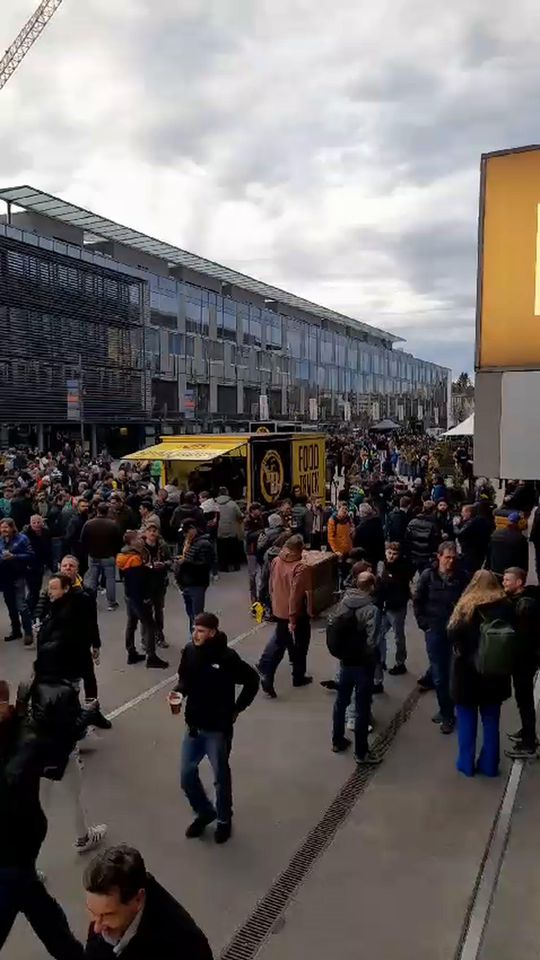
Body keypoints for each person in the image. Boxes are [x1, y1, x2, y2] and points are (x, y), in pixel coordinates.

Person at [0, 680, 85, 958]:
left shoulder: (21, 736)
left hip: (15, 849)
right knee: (41, 909)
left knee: (36, 904)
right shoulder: (21, 735)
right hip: (15, 853)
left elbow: (52, 764)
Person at [32, 575, 108, 852]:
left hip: (35, 751)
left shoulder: (33, 685)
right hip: (59, 752)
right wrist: (89, 713)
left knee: (42, 800)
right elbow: (71, 727)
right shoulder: (63, 693)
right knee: (71, 795)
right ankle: (81, 837)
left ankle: (78, 837)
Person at [174, 613, 259, 844]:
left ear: (212, 632)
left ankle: (223, 819)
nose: (195, 634)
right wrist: (179, 693)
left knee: (220, 776)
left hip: (217, 729)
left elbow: (252, 680)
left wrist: (237, 708)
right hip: (193, 726)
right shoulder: (189, 651)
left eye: (201, 630)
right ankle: (204, 811)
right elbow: (185, 679)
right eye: (194, 629)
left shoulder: (227, 657)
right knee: (186, 775)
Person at [84, 844, 213, 959]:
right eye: (92, 912)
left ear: (138, 899)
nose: (96, 928)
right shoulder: (104, 915)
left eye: (108, 915)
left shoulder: (186, 945)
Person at [448, 571, 514, 777]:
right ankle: (490, 765)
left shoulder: (466, 605)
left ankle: (466, 764)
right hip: (495, 673)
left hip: (467, 673)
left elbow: (451, 634)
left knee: (467, 722)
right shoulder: (505, 606)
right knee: (491, 722)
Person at [328, 571, 382, 765]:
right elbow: (373, 639)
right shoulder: (371, 609)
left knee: (341, 702)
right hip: (363, 665)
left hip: (344, 661)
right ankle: (361, 752)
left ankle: (337, 739)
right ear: (371, 587)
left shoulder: (343, 602)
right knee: (362, 707)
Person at [413, 542, 468, 733]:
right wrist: (424, 624)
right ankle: (446, 713)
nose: (451, 561)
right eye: (447, 557)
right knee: (439, 676)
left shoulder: (462, 577)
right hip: (435, 632)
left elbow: (468, 603)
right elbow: (418, 601)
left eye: (454, 557)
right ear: (439, 557)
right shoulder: (428, 577)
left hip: (455, 632)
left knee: (455, 673)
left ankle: (453, 709)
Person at [257, 535, 312, 696]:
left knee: (281, 642)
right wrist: (293, 618)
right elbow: (295, 595)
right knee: (300, 643)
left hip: (279, 609)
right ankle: (296, 676)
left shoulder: (276, 561)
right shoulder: (300, 568)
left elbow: (270, 584)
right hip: (295, 613)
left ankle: (268, 673)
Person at [503, 567, 540, 759]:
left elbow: (524, 637)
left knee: (524, 701)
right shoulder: (523, 600)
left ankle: (529, 743)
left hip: (524, 661)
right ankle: (527, 733)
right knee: (522, 700)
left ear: (519, 583)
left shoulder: (523, 606)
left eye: (508, 580)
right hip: (525, 659)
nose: (504, 583)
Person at [116, 532, 168, 668]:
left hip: (129, 595)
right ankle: (152, 657)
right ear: (132, 542)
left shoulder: (124, 556)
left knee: (131, 623)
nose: (142, 539)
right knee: (149, 625)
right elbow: (137, 580)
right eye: (139, 538)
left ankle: (131, 652)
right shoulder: (134, 558)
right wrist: (145, 597)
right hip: (138, 597)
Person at [174, 520, 214, 634]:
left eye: (186, 532)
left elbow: (205, 566)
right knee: (191, 615)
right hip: (186, 583)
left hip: (197, 584)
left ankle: (197, 643)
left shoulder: (204, 544)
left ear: (193, 529)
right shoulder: (189, 542)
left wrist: (185, 563)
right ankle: (193, 640)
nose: (184, 535)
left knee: (197, 617)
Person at [82, 503, 123, 610]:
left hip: (93, 555)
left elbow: (83, 540)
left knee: (93, 579)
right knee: (110, 579)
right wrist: (115, 552)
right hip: (108, 556)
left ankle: (91, 601)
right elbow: (119, 541)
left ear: (97, 510)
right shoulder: (113, 525)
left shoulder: (89, 524)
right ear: (107, 511)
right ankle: (111, 603)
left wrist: (89, 550)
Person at [379, 542, 411, 676]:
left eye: (394, 554)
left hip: (397, 607)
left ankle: (400, 663)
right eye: (389, 553)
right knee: (380, 634)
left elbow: (400, 588)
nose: (391, 556)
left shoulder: (402, 568)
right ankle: (381, 660)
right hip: (385, 606)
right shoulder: (382, 566)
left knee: (398, 636)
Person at [0, 517, 34, 645]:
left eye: (6, 527)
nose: (4, 530)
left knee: (21, 605)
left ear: (12, 527)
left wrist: (14, 556)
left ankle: (28, 632)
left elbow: (30, 555)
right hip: (4, 577)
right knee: (10, 605)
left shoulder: (22, 539)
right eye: (2, 527)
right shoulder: (0, 540)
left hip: (18, 575)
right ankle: (16, 631)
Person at [142, 523, 172, 649]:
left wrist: (164, 564)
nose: (152, 533)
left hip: (160, 583)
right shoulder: (141, 548)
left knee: (159, 612)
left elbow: (170, 560)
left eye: (155, 531)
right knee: (146, 613)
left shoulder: (163, 546)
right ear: (145, 533)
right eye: (150, 531)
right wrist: (146, 565)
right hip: (146, 584)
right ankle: (145, 639)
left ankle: (160, 636)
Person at [23, 514, 52, 615]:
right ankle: (28, 611)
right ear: (30, 523)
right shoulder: (25, 535)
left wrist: (50, 564)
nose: (36, 524)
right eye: (34, 523)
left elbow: (49, 549)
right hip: (29, 566)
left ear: (42, 523)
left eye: (38, 522)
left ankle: (32, 609)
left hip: (40, 565)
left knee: (37, 588)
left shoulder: (46, 532)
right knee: (32, 590)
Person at [487, 511, 529, 578]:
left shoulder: (495, 534)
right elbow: (523, 558)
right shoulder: (520, 538)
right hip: (511, 572)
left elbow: (489, 552)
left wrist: (488, 567)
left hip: (495, 569)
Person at [456, 503, 493, 577]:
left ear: (468, 513)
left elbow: (460, 534)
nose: (461, 514)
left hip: (470, 552)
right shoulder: (486, 521)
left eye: (463, 512)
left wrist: (458, 525)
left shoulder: (472, 523)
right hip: (481, 551)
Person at [405, 501, 440, 574]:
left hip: (414, 553)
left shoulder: (413, 522)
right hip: (426, 555)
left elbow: (407, 537)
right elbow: (435, 541)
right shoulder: (433, 525)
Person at [215, 487, 243, 572]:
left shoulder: (215, 504)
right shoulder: (233, 504)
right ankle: (236, 566)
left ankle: (223, 567)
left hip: (219, 530)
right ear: (227, 493)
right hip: (232, 530)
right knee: (233, 548)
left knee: (222, 549)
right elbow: (239, 515)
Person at [353, 503, 385, 568]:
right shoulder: (378, 523)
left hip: (366, 557)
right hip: (378, 555)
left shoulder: (360, 528)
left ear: (362, 514)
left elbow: (356, 544)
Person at [244, 502, 265, 603]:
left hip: (260, 549)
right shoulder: (247, 521)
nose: (260, 511)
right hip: (251, 550)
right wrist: (261, 532)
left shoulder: (261, 518)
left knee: (262, 573)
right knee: (252, 575)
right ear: (252, 511)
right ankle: (253, 597)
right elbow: (248, 536)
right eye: (258, 510)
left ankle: (261, 595)